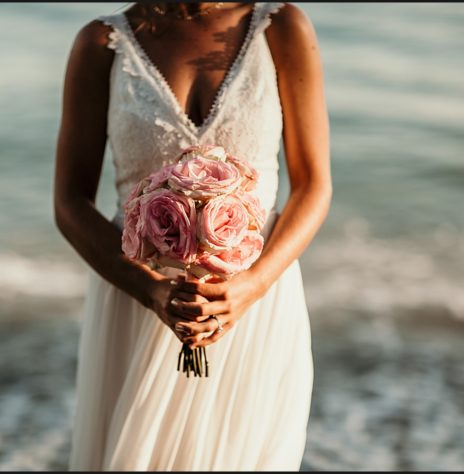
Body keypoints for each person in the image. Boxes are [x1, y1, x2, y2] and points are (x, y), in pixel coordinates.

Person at [52, 2, 331, 470]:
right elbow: (69, 203)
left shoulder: (280, 27)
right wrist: (152, 291)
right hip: (137, 299)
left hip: (253, 305)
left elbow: (313, 185)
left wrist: (251, 287)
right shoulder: (102, 44)